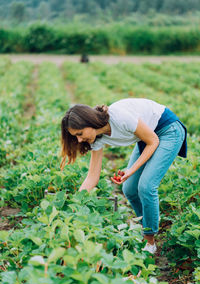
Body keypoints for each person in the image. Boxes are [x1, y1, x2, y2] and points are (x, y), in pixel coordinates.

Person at [60, 98, 187, 254]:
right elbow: (93, 175)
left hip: (168, 130)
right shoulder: (96, 138)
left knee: (146, 186)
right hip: (146, 138)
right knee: (130, 189)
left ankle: (150, 241)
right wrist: (75, 204)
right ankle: (148, 224)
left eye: (79, 133)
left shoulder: (119, 117)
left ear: (89, 121)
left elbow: (153, 141)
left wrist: (131, 170)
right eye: (75, 137)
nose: (79, 140)